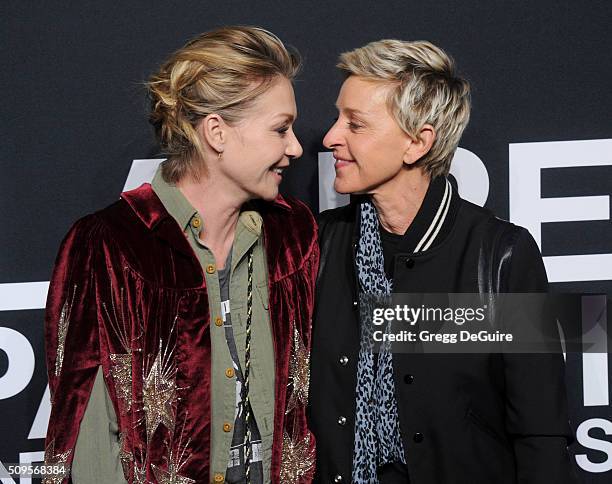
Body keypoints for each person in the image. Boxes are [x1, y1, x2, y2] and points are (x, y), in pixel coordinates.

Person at [44, 26, 317, 484]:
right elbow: (84, 434)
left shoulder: (294, 235)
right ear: (217, 133)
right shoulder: (112, 244)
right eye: (280, 129)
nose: (296, 147)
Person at [309, 39, 576, 483]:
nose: (331, 137)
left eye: (355, 124)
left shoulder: (502, 255)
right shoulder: (319, 246)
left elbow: (541, 431)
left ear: (417, 143)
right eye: (339, 118)